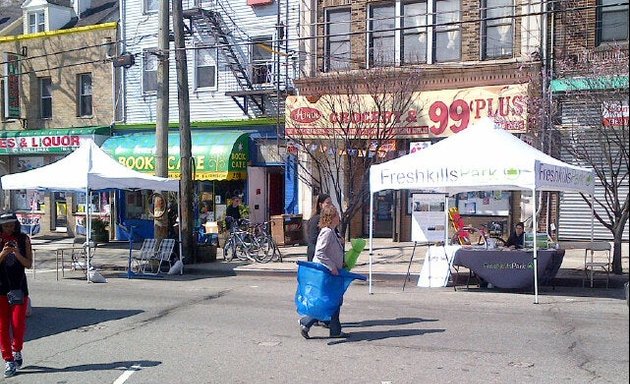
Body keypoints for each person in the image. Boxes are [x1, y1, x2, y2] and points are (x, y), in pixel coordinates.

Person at [299, 205, 348, 339]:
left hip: (332, 272)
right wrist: (332, 266)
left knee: (331, 301)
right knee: (332, 301)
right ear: (331, 218)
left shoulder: (332, 231)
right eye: (337, 215)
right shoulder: (327, 232)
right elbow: (320, 252)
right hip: (327, 273)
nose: (339, 217)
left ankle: (315, 325)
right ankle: (309, 322)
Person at [0, 212, 33, 378]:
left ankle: (17, 349)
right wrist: (3, 254)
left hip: (19, 288)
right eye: (5, 225)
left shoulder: (23, 239)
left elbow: (29, 264)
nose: (9, 228)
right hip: (0, 290)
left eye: (11, 225)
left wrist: (16, 253)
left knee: (18, 325)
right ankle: (8, 359)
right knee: (2, 328)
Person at [306, 194, 332, 262]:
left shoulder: (328, 219)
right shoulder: (316, 219)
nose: (330, 205)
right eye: (327, 203)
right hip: (316, 255)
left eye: (331, 203)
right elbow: (313, 239)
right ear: (320, 205)